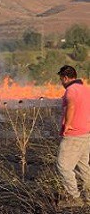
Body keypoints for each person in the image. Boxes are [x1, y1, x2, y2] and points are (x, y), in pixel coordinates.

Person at [56, 65, 90, 208]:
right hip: (86, 133)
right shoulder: (86, 89)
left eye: (61, 79)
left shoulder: (71, 90)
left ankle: (74, 197)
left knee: (63, 166)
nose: (61, 83)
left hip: (74, 135)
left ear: (65, 78)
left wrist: (68, 124)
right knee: (83, 167)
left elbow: (71, 105)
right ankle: (89, 196)